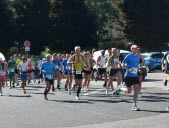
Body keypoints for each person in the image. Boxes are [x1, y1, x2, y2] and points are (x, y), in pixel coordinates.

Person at [115, 45, 141, 111]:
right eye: (135, 48)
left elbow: (136, 65)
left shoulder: (138, 56)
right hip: (128, 76)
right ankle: (120, 88)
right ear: (132, 49)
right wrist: (128, 69)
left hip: (135, 76)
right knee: (129, 91)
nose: (137, 49)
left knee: (136, 91)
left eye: (137, 48)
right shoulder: (129, 56)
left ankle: (134, 105)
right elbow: (122, 64)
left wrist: (139, 69)